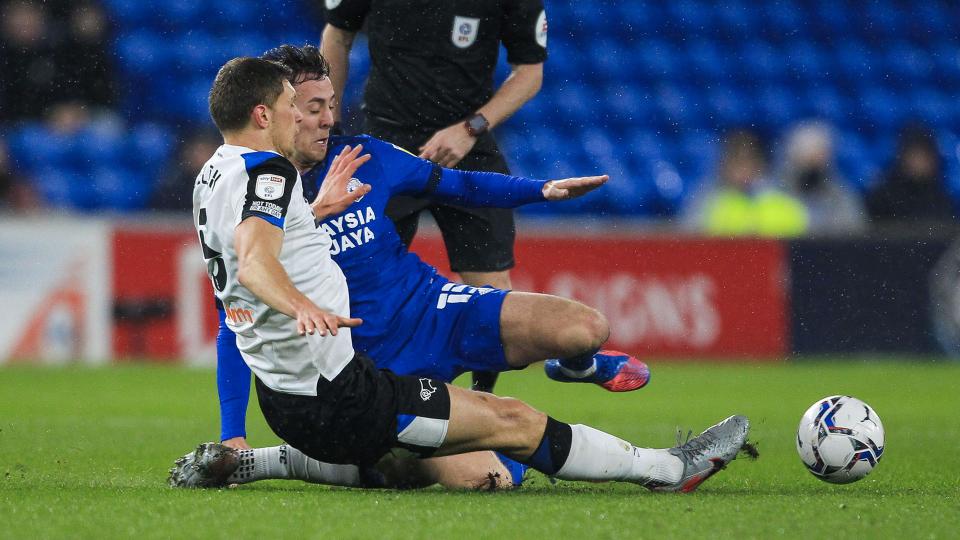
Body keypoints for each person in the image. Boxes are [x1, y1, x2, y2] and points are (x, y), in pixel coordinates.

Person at [178, 55, 751, 494]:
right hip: (344, 391)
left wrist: (317, 214)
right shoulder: (274, 172)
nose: (316, 116)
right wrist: (300, 305)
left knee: (421, 447)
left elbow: (248, 257)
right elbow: (254, 262)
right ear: (264, 114)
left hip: (290, 397)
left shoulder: (216, 175)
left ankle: (257, 461)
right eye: (293, 106)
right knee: (513, 426)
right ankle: (670, 469)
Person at [321, 0, 548, 393]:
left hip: (468, 146)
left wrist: (471, 128)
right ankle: (354, 400)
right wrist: (332, 123)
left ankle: (483, 410)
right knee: (358, 284)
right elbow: (336, 36)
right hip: (386, 146)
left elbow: (529, 73)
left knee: (492, 289)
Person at [684, 129, 809, 237]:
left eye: (748, 161)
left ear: (760, 164)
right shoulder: (710, 205)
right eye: (736, 162)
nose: (742, 170)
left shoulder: (785, 205)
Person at [778, 121, 866, 235]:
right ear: (793, 157)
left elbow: (853, 231)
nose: (814, 163)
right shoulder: (776, 193)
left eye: (820, 155)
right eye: (807, 156)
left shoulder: (841, 195)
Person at [867, 123, 956, 224]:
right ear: (903, 157)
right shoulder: (882, 197)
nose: (920, 162)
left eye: (925, 156)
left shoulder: (942, 199)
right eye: (916, 155)